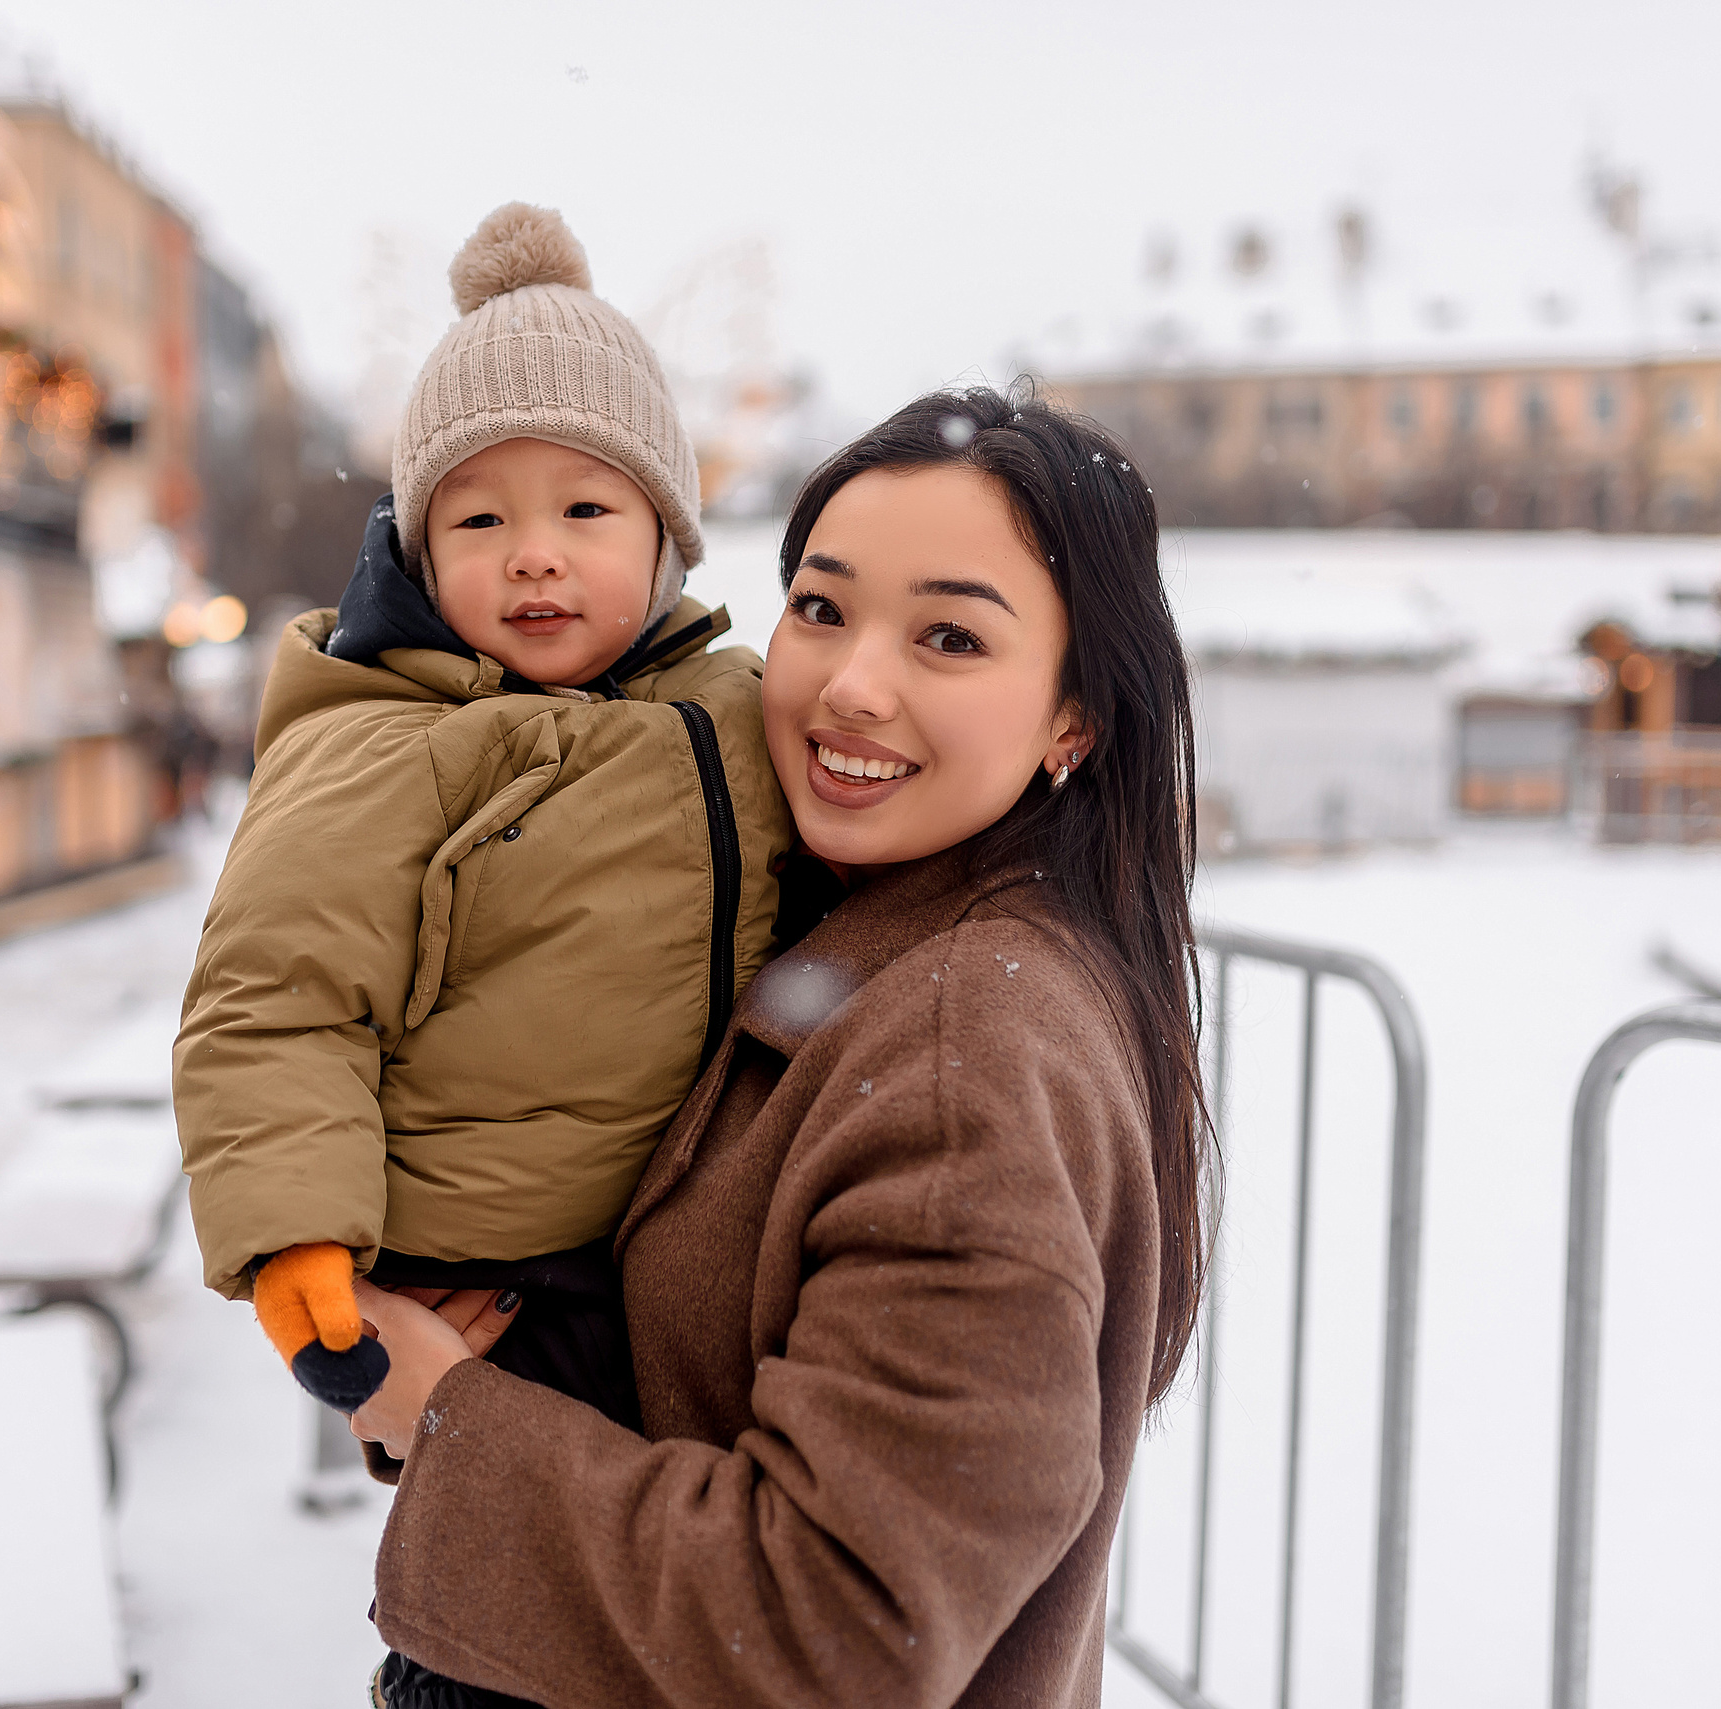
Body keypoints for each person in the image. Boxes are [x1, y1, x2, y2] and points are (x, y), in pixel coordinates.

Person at [348, 385, 1215, 1709]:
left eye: (949, 637)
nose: (851, 686)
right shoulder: (881, 942)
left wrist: (448, 1417)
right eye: (821, 608)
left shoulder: (960, 1044)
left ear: (1074, 719)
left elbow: (839, 1634)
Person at [173, 204, 790, 1443]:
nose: (532, 557)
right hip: (496, 1282)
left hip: (680, 1258)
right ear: (415, 545)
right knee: (507, 1593)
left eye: (584, 511)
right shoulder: (384, 742)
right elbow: (277, 996)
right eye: (479, 519)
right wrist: (299, 1236)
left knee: (672, 1581)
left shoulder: (735, 713)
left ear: (666, 535)